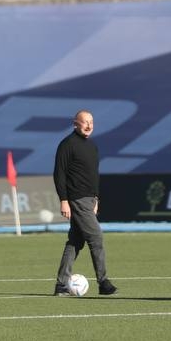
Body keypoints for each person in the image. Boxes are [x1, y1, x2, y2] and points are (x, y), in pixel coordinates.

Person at [52, 110, 117, 296]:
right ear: (75, 124)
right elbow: (59, 174)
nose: (89, 125)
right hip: (77, 199)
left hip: (89, 200)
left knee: (75, 241)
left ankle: (61, 285)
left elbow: (93, 174)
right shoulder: (67, 145)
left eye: (91, 122)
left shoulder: (92, 146)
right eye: (84, 122)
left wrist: (95, 198)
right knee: (96, 237)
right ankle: (103, 283)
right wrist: (64, 200)